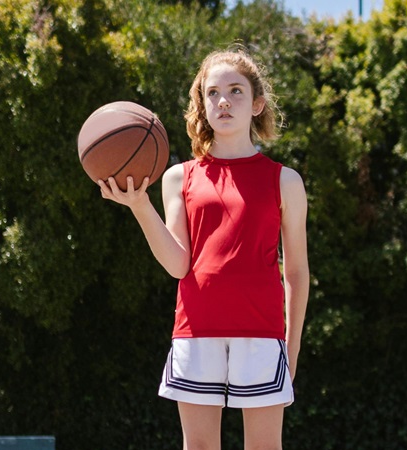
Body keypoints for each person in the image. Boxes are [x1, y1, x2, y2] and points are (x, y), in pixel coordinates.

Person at [98, 47, 309, 450]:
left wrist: (292, 343)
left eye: (235, 91)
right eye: (213, 93)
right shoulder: (178, 177)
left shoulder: (285, 181)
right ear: (202, 104)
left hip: (263, 332)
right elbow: (179, 265)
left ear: (257, 104)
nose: (223, 101)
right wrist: (140, 206)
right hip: (195, 331)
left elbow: (297, 272)